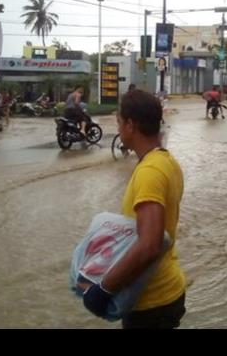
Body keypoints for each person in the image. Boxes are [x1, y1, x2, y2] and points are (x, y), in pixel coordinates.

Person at [82, 90, 187, 328]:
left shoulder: (149, 172)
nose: (118, 129)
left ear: (131, 124)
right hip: (166, 289)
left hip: (151, 302)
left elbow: (150, 244)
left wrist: (104, 288)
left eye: (119, 122)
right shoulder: (166, 160)